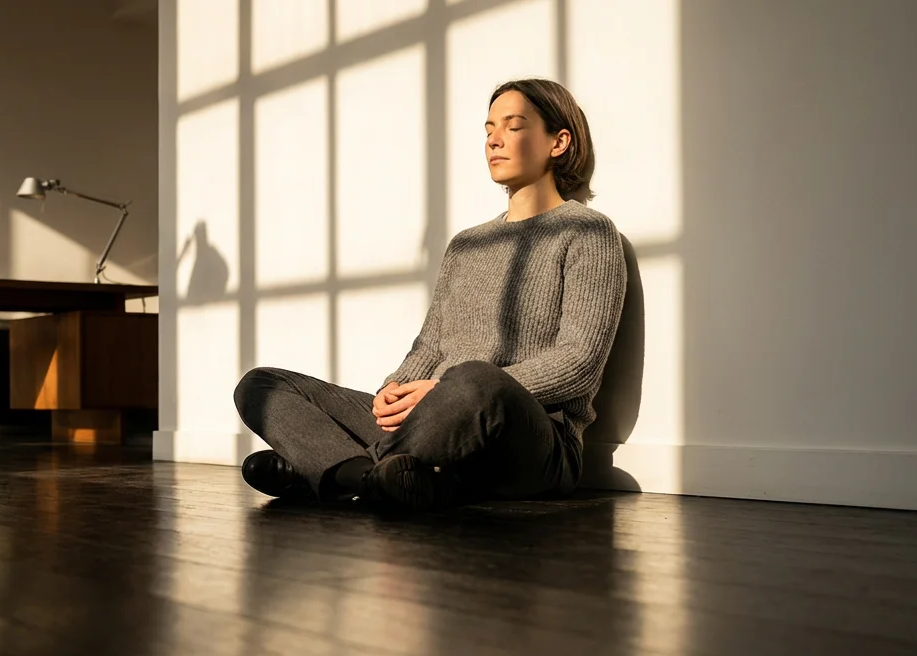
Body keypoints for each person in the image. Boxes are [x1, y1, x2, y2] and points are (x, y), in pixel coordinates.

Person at [232, 78, 627, 514]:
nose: (494, 140)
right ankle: (370, 478)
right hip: (430, 421)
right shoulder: (466, 244)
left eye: (513, 126)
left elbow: (579, 363)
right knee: (262, 385)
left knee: (477, 378)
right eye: (488, 129)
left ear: (559, 141)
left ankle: (329, 471)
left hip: (528, 438)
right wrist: (393, 390)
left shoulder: (588, 231)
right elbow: (429, 346)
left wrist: (442, 391)